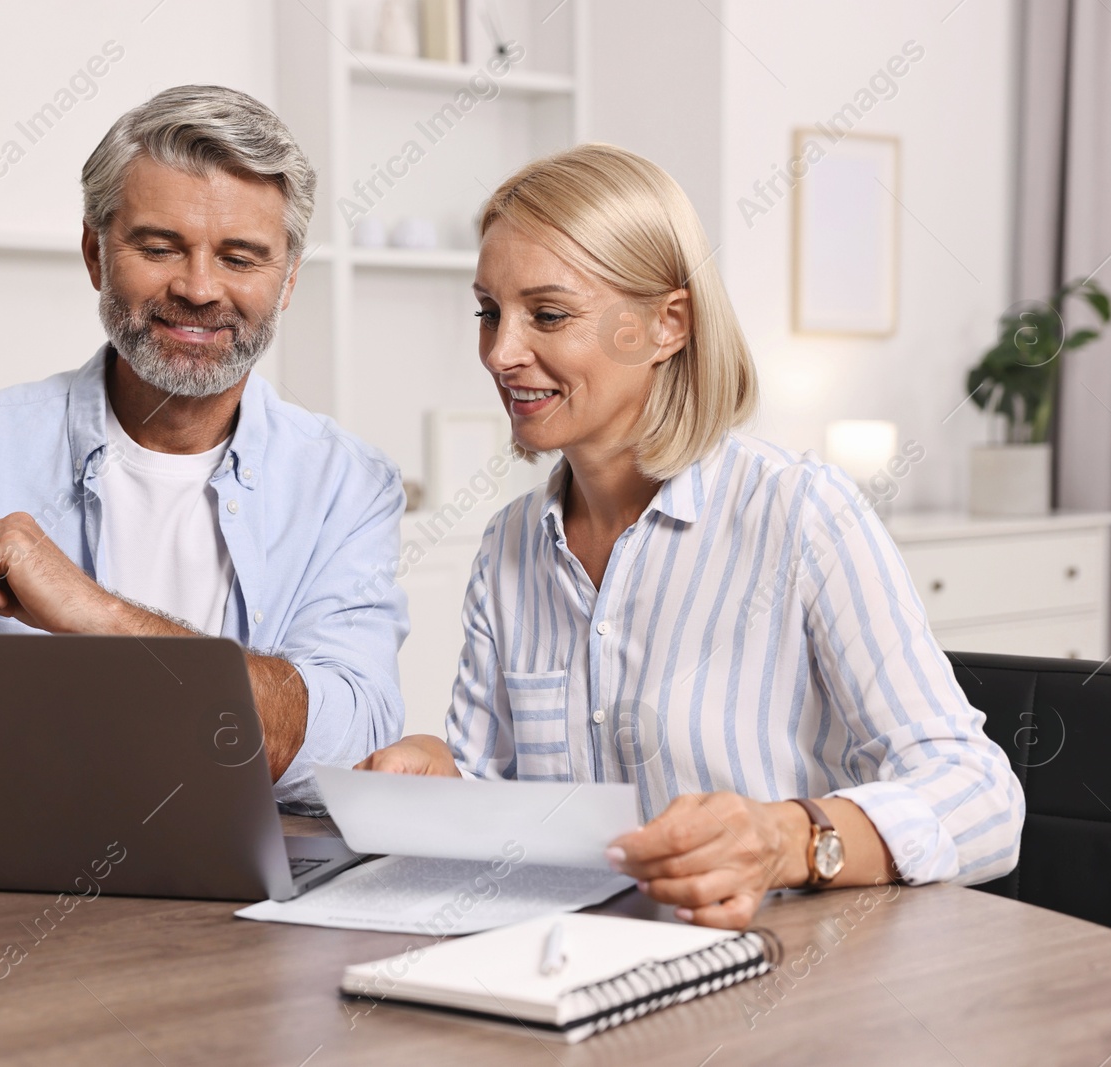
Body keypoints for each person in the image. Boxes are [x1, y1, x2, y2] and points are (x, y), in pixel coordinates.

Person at [357, 144, 1024, 929]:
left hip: (784, 984)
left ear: (666, 324)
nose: (501, 351)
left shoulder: (802, 514)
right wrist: (442, 776)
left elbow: (981, 797)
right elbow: (493, 796)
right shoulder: (509, 547)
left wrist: (787, 837)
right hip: (577, 979)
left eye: (548, 314)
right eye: (488, 311)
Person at [0, 86, 408, 819]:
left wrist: (92, 612)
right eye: (159, 248)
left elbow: (346, 741)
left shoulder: (347, 484)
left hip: (246, 911)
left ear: (287, 281)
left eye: (241, 257)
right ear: (96, 253)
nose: (197, 287)